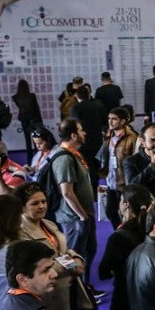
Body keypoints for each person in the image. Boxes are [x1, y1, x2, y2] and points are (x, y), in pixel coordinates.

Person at [15, 182, 83, 310]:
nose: (41, 206)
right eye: (35, 203)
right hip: (46, 299)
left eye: (43, 201)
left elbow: (63, 250)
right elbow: (37, 267)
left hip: (66, 293)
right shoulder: (19, 233)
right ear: (22, 207)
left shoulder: (49, 224)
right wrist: (72, 265)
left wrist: (76, 258)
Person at [52, 119, 97, 281]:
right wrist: (82, 216)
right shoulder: (64, 158)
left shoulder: (73, 155)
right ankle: (75, 290)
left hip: (81, 215)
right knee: (74, 256)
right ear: (73, 135)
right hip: (74, 217)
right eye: (81, 130)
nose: (84, 133)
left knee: (87, 251)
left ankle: (85, 287)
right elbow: (67, 193)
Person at [102, 106, 137, 229]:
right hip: (112, 182)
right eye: (109, 119)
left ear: (123, 121)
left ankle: (125, 233)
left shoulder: (132, 138)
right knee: (110, 212)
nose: (110, 122)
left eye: (114, 119)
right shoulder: (109, 136)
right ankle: (120, 232)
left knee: (126, 214)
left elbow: (135, 161)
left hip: (125, 184)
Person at [71, 84, 107, 190]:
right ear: (88, 94)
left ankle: (92, 188)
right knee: (96, 164)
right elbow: (105, 122)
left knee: (87, 165)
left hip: (83, 142)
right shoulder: (98, 105)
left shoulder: (76, 107)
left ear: (77, 96)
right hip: (98, 140)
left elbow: (73, 125)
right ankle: (97, 185)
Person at [12, 78, 42, 163]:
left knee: (27, 141)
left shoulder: (15, 97)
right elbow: (36, 108)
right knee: (36, 140)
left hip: (24, 120)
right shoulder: (32, 96)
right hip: (34, 119)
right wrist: (40, 121)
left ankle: (29, 161)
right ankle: (38, 159)